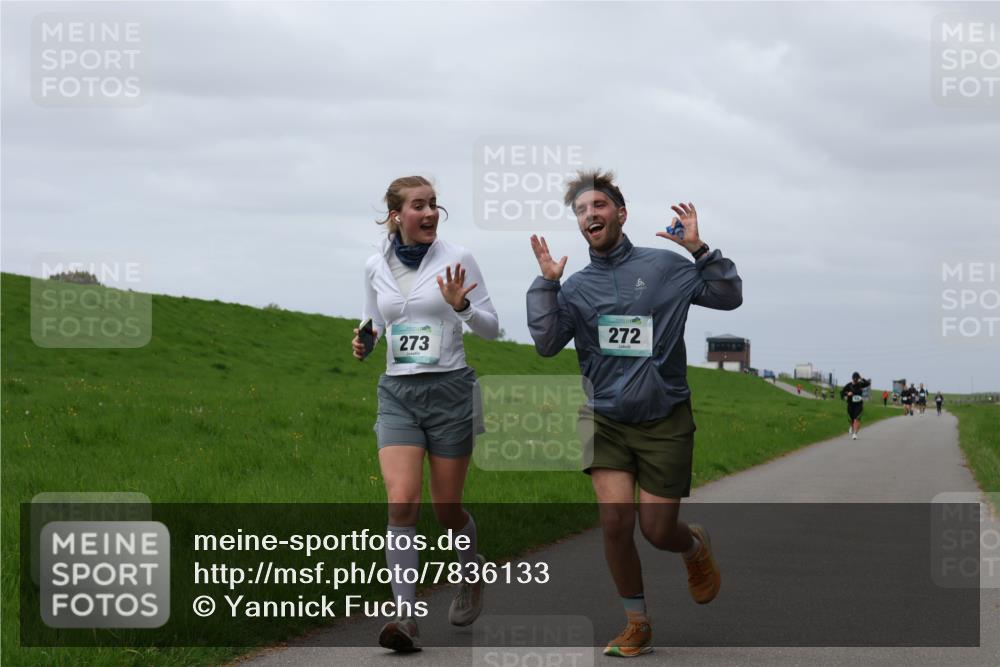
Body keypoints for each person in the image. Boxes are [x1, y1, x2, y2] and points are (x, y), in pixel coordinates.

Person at [526, 170, 742, 657]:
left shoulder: (665, 267)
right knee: (616, 522)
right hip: (604, 416)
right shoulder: (575, 288)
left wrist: (700, 250)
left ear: (620, 214)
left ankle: (693, 548)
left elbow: (729, 297)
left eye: (598, 206)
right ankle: (637, 622)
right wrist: (546, 285)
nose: (590, 215)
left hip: (664, 415)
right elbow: (545, 344)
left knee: (657, 529)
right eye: (581, 210)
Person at [353, 175, 499, 652]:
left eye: (435, 204)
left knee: (446, 508)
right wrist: (365, 340)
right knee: (402, 504)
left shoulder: (458, 258)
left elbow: (493, 329)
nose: (431, 212)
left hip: (451, 392)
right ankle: (406, 618)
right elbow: (375, 320)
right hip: (398, 393)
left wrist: (464, 310)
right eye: (420, 205)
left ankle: (470, 569)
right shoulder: (376, 264)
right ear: (397, 214)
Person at [841, 372, 872, 439]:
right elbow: (842, 392)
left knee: (856, 419)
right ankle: (852, 427)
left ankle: (854, 433)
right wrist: (847, 393)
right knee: (851, 420)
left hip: (858, 405)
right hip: (850, 404)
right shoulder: (849, 385)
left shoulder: (860, 384)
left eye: (857, 378)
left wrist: (862, 378)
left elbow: (868, 383)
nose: (856, 380)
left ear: (858, 378)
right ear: (852, 378)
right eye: (854, 378)